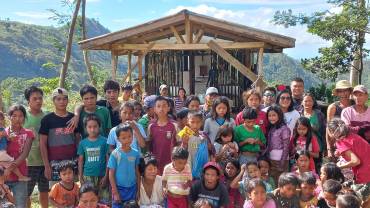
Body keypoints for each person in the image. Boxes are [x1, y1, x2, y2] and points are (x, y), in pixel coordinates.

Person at [39, 88, 80, 183]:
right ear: (53, 101)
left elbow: (78, 140)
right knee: (56, 193)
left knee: (72, 192)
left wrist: (78, 159)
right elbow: (42, 144)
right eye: (58, 99)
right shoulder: (47, 120)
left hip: (72, 162)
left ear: (68, 100)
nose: (62, 101)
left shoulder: (73, 118)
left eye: (64, 99)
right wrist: (47, 166)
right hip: (54, 163)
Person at [327, 118, 370, 203]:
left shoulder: (341, 142)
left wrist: (339, 166)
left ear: (331, 132)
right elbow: (357, 149)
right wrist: (342, 152)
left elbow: (356, 161)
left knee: (357, 202)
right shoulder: (352, 135)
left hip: (365, 174)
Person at [4, 105, 34, 208]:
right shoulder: (3, 133)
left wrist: (11, 168)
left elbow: (24, 154)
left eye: (21, 116)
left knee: (21, 205)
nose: (17, 119)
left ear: (24, 117)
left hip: (20, 176)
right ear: (9, 117)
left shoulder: (28, 133)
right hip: (2, 176)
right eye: (14, 116)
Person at [23, 86, 49, 208]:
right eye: (35, 99)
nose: (38, 101)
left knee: (44, 191)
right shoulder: (23, 117)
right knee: (26, 193)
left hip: (45, 162)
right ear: (28, 101)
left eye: (40, 98)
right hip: (28, 163)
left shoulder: (47, 116)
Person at [77, 115, 109, 205]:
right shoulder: (83, 143)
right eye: (89, 127)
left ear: (99, 127)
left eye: (95, 126)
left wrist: (106, 176)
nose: (92, 129)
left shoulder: (105, 141)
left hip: (102, 176)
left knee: (104, 201)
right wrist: (80, 176)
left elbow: (108, 159)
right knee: (89, 200)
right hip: (88, 176)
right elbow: (80, 160)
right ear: (85, 128)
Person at [108, 123, 140, 207]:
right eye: (124, 138)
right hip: (119, 188)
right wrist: (115, 192)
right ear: (118, 139)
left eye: (130, 136)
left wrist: (138, 190)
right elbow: (111, 175)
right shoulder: (115, 154)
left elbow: (137, 172)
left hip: (132, 188)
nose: (127, 140)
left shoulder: (135, 153)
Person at [180, 111, 214, 179]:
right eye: (192, 122)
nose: (195, 125)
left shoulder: (204, 135)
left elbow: (210, 150)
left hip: (202, 164)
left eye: (198, 122)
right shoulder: (185, 134)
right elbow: (181, 150)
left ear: (201, 122)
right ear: (188, 121)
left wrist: (208, 147)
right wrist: (184, 143)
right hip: (189, 164)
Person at [148, 96, 177, 174]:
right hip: (156, 164)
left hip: (171, 163)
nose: (161, 109)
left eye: (164, 106)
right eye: (158, 106)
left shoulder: (174, 125)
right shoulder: (151, 125)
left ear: (168, 108)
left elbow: (179, 142)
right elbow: (149, 143)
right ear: (154, 109)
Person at [326, 80, 353, 157]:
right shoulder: (333, 107)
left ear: (350, 91)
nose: (343, 93)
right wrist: (329, 148)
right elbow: (328, 127)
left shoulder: (355, 104)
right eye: (340, 91)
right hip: (338, 144)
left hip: (354, 142)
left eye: (346, 90)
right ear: (337, 93)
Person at [0, 111, 30, 181]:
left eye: (1, 119)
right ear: (10, 117)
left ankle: (20, 176)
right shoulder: (3, 130)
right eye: (14, 116)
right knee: (12, 163)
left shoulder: (3, 129)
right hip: (1, 152)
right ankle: (20, 176)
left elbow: (7, 139)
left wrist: (9, 138)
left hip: (3, 152)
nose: (0, 121)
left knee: (7, 163)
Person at [266, 105, 290, 183]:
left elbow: (286, 147)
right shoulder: (271, 128)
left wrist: (282, 163)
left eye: (274, 115)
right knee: (273, 182)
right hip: (271, 161)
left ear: (279, 115)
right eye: (269, 115)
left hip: (281, 161)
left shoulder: (284, 129)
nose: (271, 118)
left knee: (282, 183)